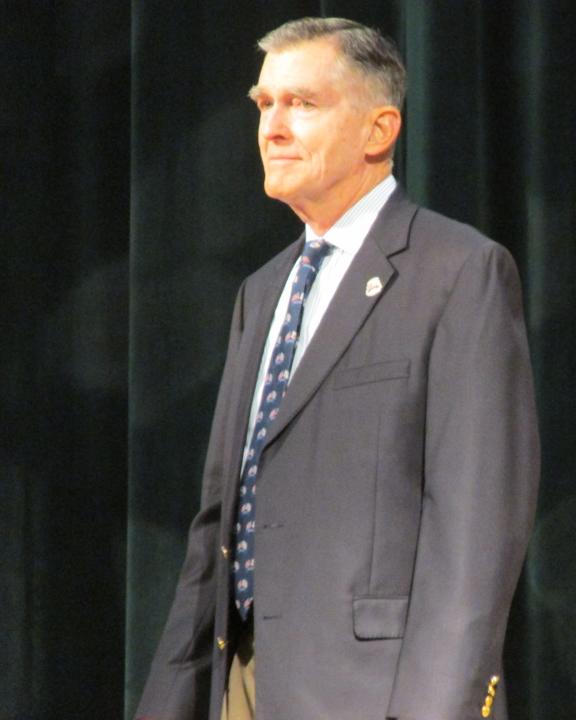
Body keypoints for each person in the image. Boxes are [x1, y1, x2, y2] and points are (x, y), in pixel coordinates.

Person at [135, 16, 539, 720]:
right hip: (244, 687)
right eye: (265, 105)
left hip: (374, 695)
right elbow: (216, 530)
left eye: (303, 104)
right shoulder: (260, 294)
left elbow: (475, 532)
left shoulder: (458, 272)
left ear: (379, 129)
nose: (272, 128)